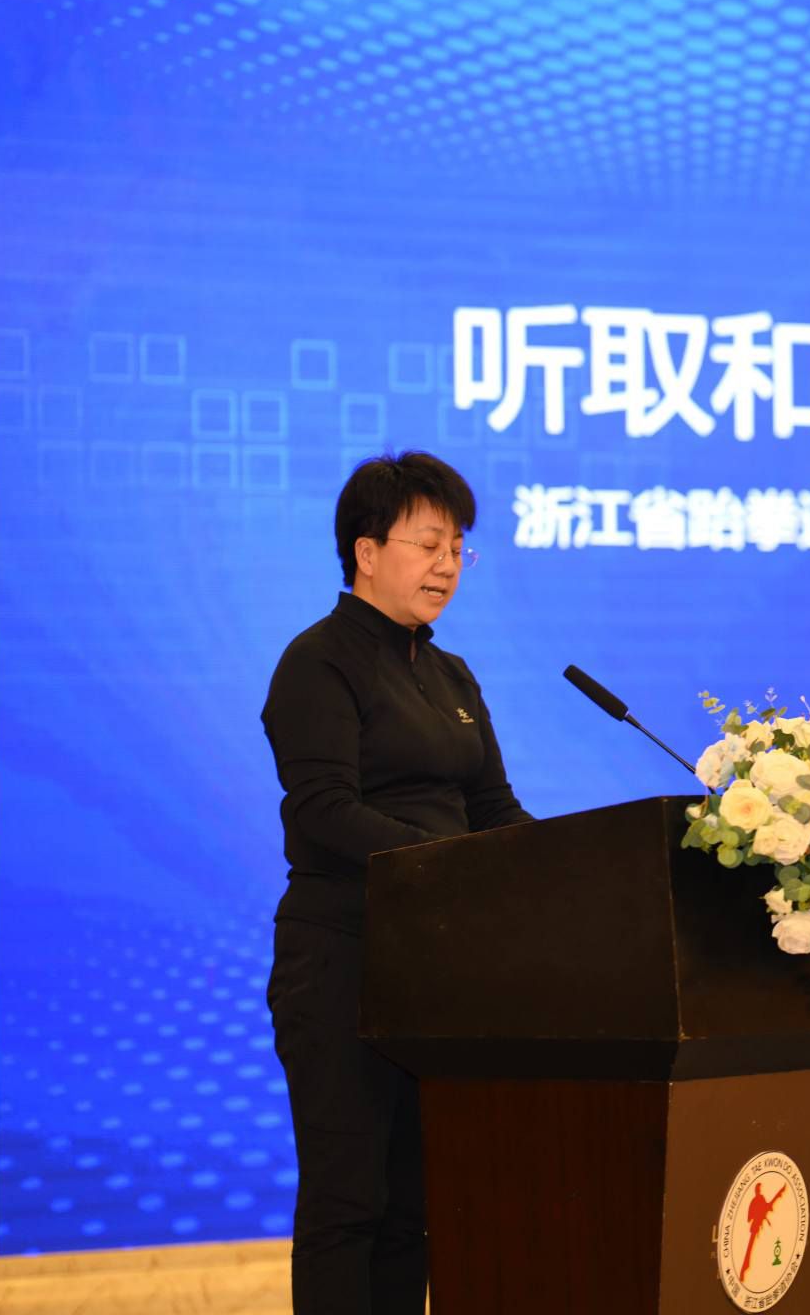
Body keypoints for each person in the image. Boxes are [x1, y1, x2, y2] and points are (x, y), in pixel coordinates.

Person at [262, 451, 533, 1314]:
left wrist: (576, 861)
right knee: (350, 1200)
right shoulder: (318, 662)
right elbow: (323, 812)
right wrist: (440, 866)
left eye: (457, 548)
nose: (447, 565)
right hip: (342, 961)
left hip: (437, 968)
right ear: (366, 551)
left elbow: (492, 807)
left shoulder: (450, 675)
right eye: (428, 544)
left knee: (414, 1207)